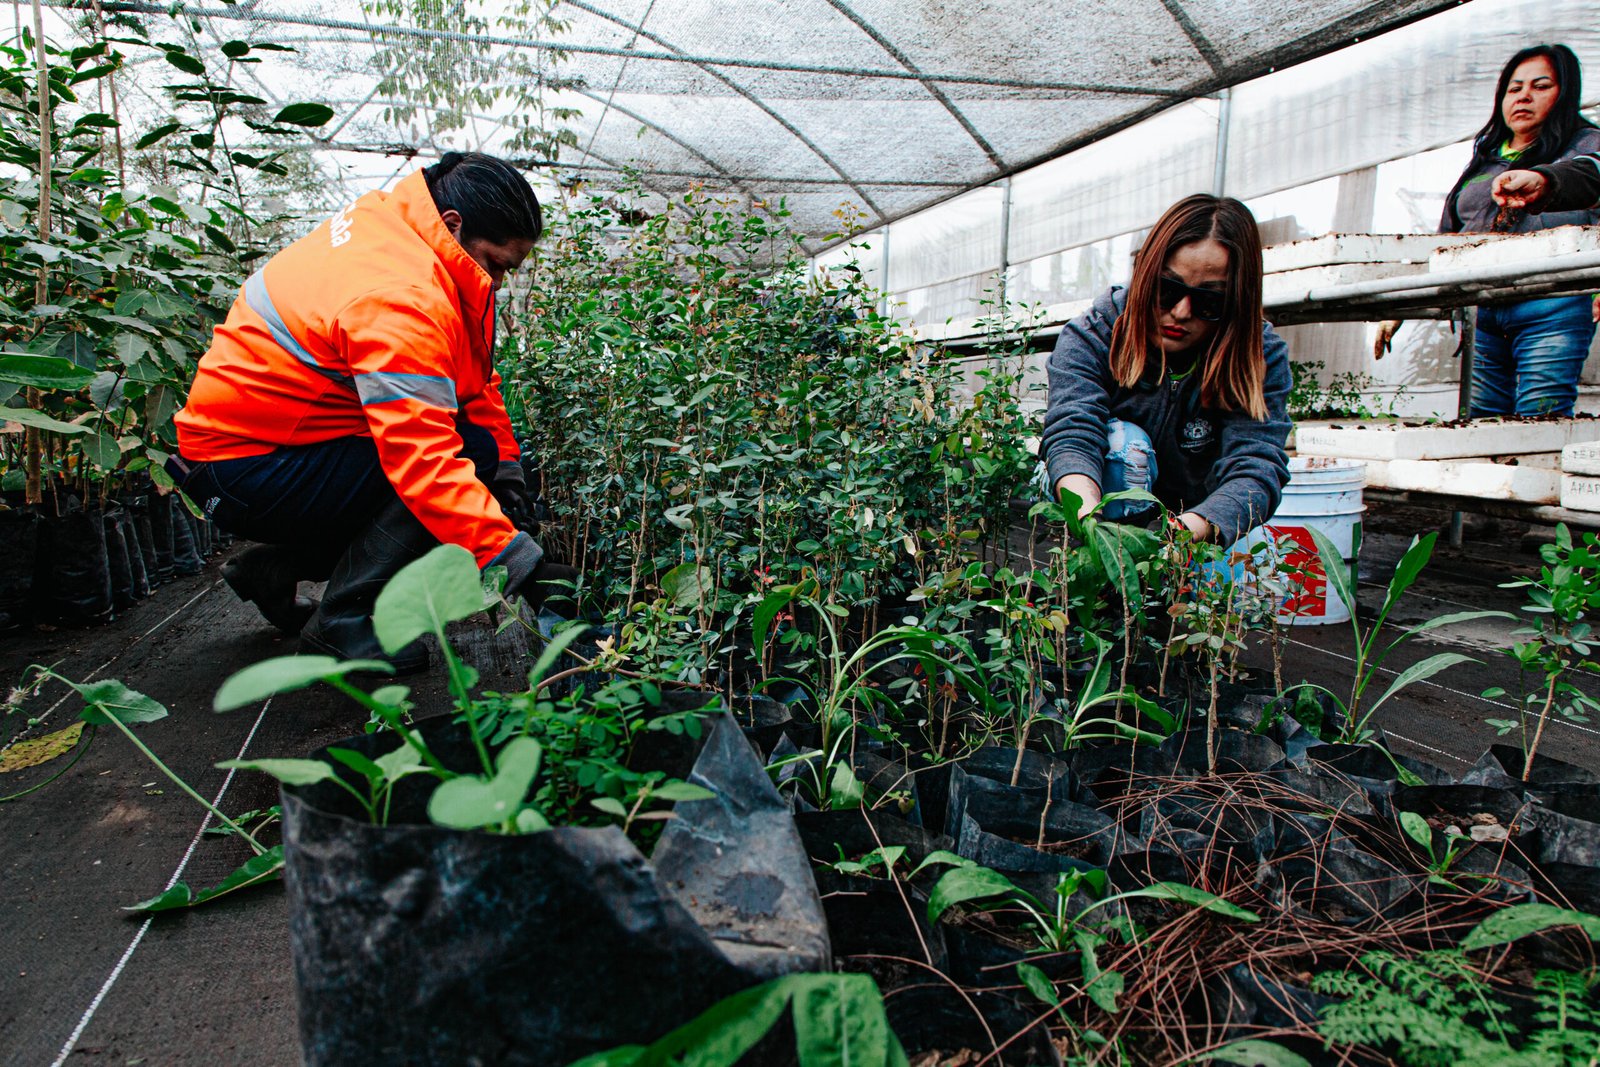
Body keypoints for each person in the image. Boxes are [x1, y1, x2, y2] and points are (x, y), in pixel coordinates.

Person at [169, 151, 576, 672]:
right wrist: (523, 566)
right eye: (496, 264)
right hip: (247, 470)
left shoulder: (396, 231)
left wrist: (510, 478)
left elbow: (474, 382)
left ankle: (273, 570)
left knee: (477, 458)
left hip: (264, 451)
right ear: (452, 225)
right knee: (456, 467)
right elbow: (423, 462)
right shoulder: (401, 294)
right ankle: (342, 618)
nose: (497, 281)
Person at [1039, 194, 1292, 549]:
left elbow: (1256, 464)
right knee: (1124, 443)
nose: (1182, 312)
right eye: (1167, 289)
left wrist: (1183, 534)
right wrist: (1091, 525)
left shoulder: (1259, 354)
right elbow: (1073, 430)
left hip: (1192, 518)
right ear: (1143, 274)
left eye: (1210, 301)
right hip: (1100, 499)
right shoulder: (1097, 332)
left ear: (1237, 300)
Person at [1374, 45, 1600, 416]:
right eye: (1514, 88)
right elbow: (1448, 240)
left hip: (1553, 305)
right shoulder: (1483, 162)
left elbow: (1591, 174)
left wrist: (1545, 179)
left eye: (1541, 86)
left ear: (1565, 94)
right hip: (1482, 311)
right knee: (1481, 421)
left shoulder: (1586, 146)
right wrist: (1403, 302)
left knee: (1540, 419)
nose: (1524, 95)